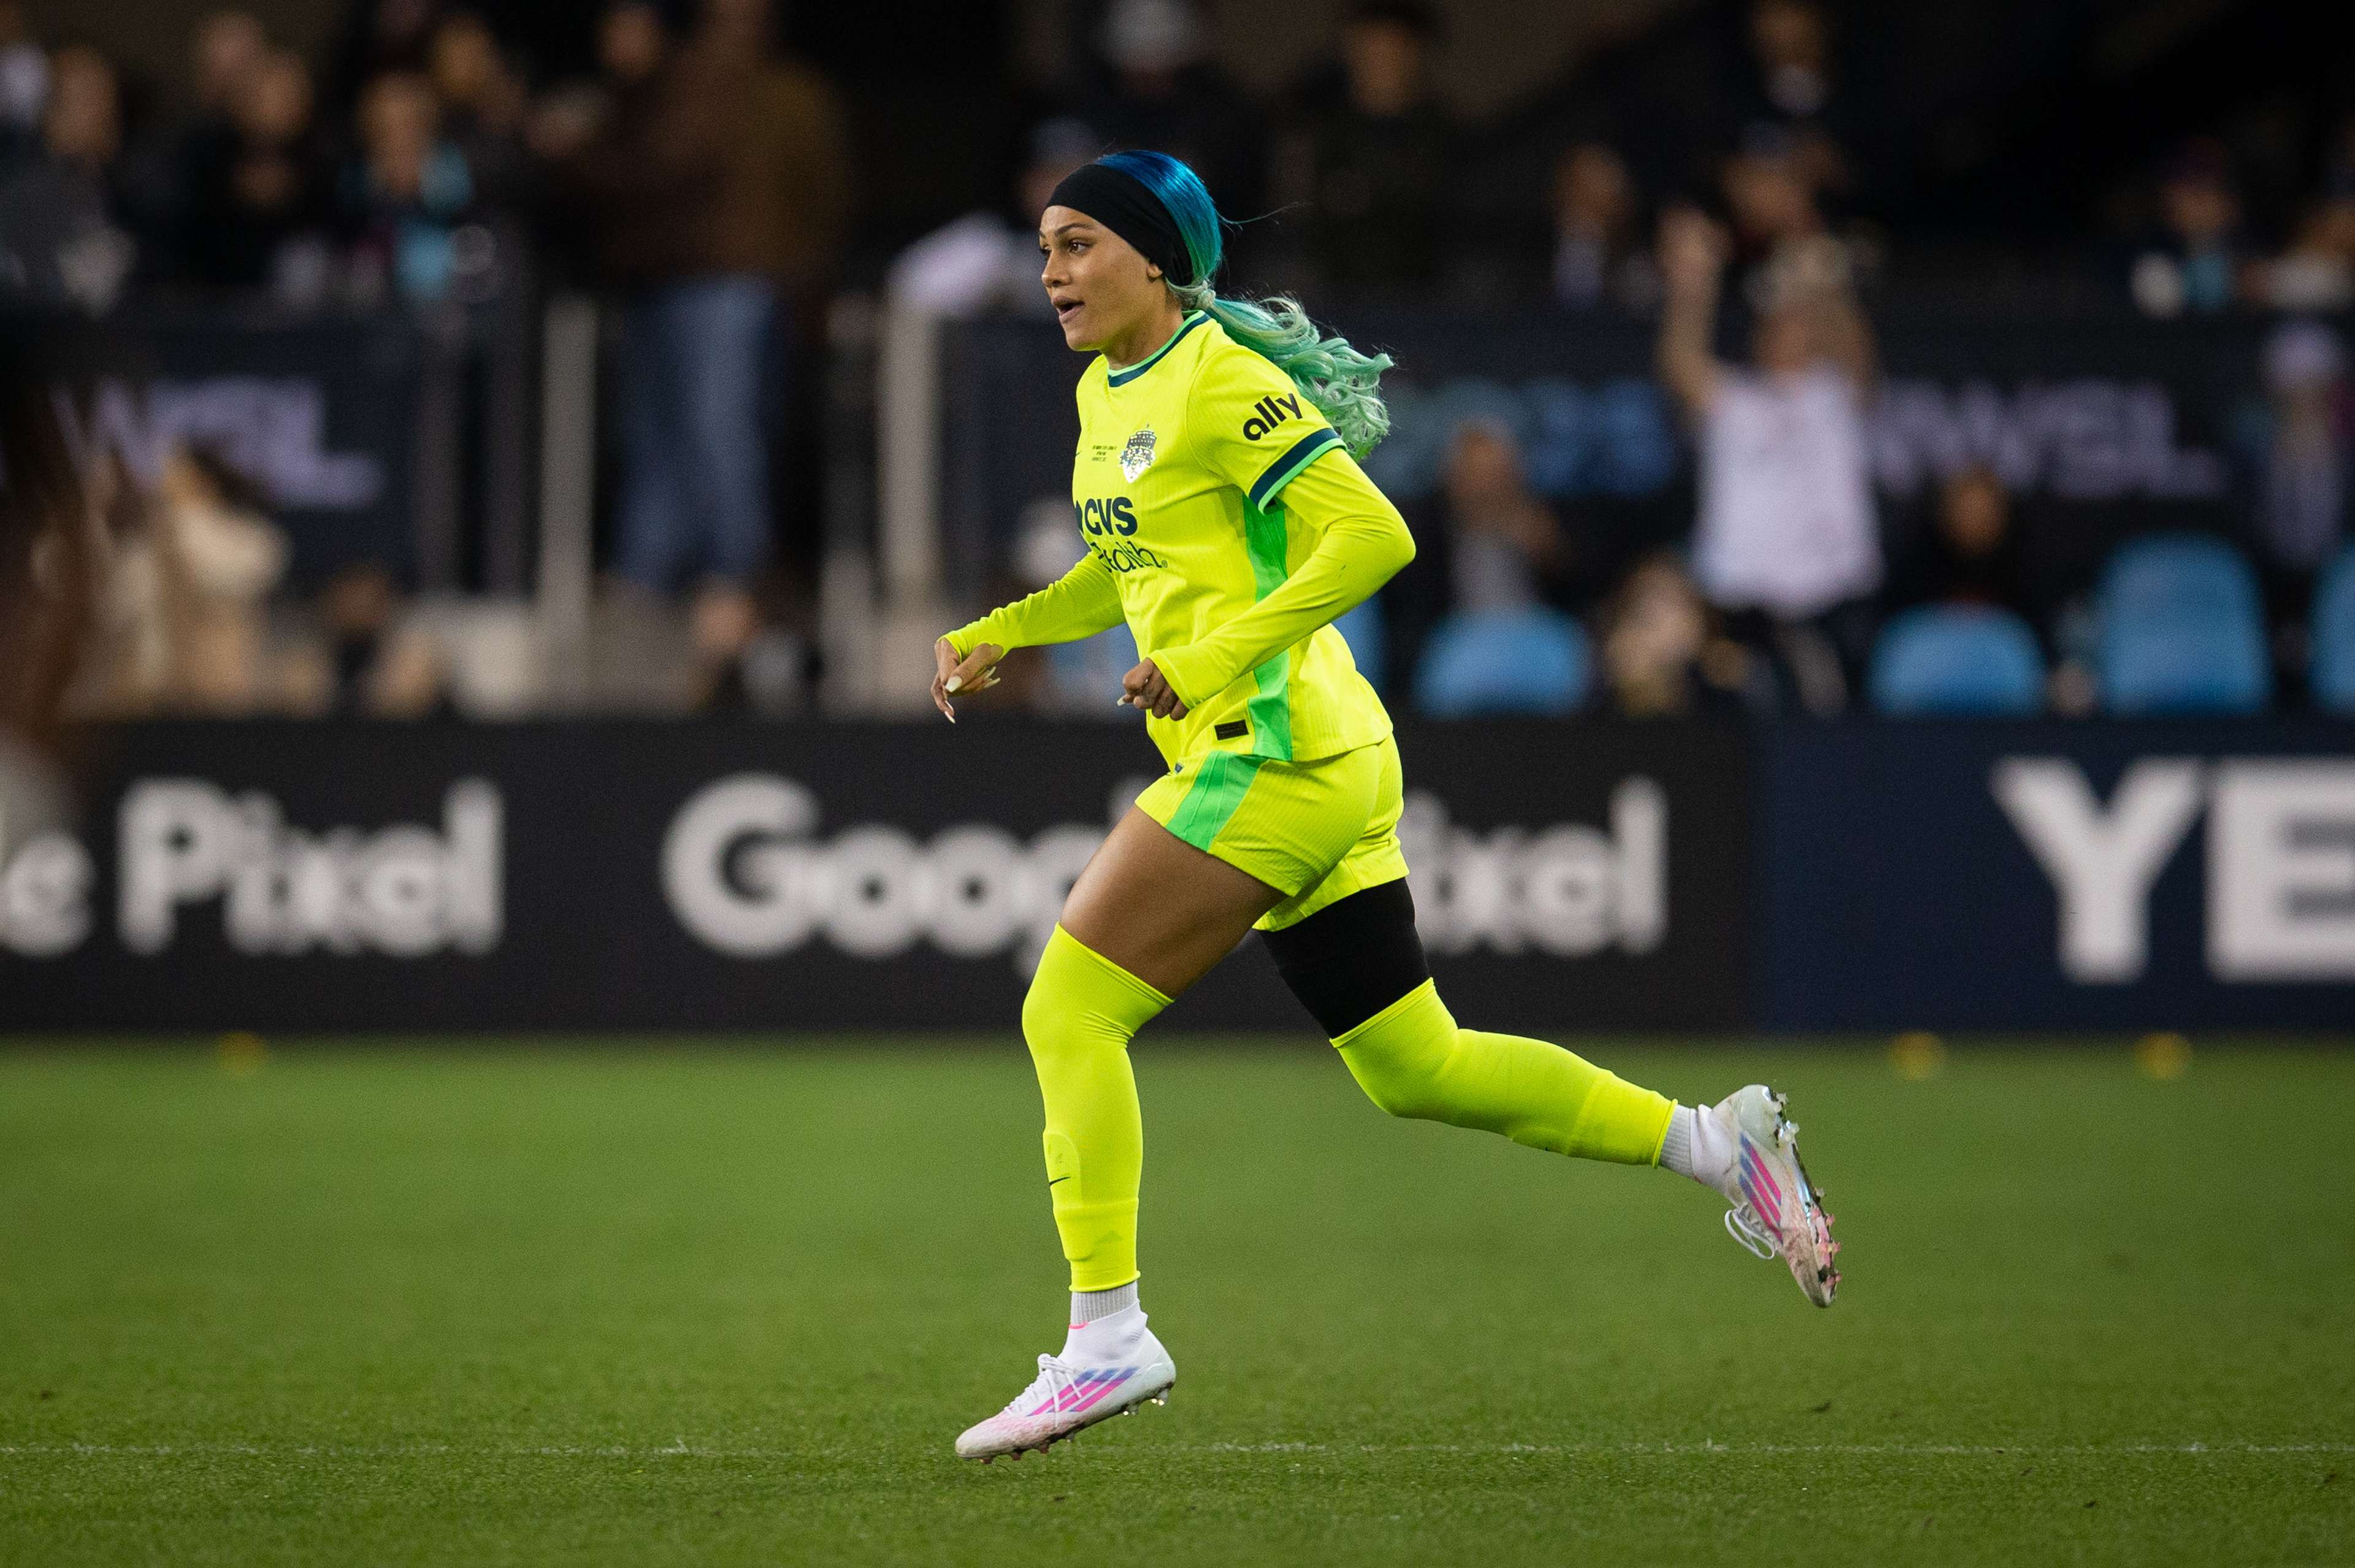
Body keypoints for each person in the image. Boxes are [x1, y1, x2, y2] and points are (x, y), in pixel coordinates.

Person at [930, 150, 1842, 1463]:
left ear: (1151, 258)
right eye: (1044, 249)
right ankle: (1719, 1143)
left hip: (1275, 752)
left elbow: (1372, 535)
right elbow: (1129, 565)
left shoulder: (1223, 380)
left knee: (1068, 1006)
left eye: (1077, 245)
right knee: (1417, 1066)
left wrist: (1211, 656)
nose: (1052, 272)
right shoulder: (1107, 389)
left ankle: (1107, 1338)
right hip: (1309, 754)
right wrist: (1010, 626)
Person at [1657, 206, 1878, 714]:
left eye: (1799, 326)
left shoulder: (1833, 397)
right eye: (1775, 325)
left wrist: (1821, 273)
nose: (1786, 335)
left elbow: (1857, 354)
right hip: (1741, 604)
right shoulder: (1735, 400)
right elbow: (1681, 365)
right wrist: (1693, 286)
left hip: (1832, 600)